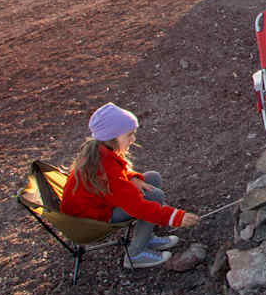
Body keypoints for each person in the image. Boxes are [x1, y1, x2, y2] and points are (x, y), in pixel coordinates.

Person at [62, 102, 198, 269]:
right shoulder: (105, 169)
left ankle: (146, 237)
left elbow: (121, 177)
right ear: (112, 137)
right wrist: (176, 217)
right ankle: (135, 254)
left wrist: (133, 178)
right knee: (155, 196)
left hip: (100, 203)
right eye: (129, 135)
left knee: (151, 178)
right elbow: (137, 207)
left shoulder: (101, 150)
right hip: (91, 220)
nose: (133, 139)